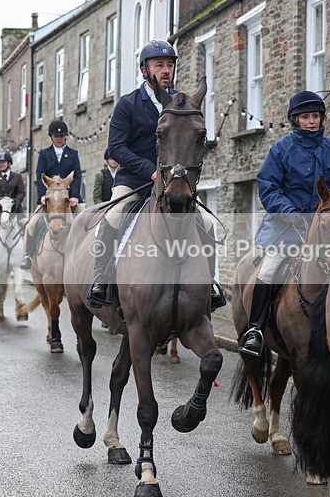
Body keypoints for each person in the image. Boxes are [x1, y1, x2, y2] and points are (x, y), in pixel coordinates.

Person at [87, 39, 226, 312]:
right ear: (144, 70)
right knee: (113, 218)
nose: (166, 70)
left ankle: (208, 284)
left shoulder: (182, 104)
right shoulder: (127, 104)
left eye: (170, 65)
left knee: (207, 223)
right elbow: (116, 147)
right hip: (134, 182)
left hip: (174, 183)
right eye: (159, 65)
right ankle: (101, 280)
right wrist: (149, 171)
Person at [238, 90, 330, 357]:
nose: (311, 121)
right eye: (305, 117)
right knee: (268, 270)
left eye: (315, 116)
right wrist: (288, 211)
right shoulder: (281, 149)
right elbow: (268, 187)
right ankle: (255, 329)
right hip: (284, 228)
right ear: (295, 120)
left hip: (324, 229)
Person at [20, 119, 84, 270]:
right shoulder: (44, 154)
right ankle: (28, 255)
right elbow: (39, 175)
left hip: (68, 199)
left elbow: (78, 176)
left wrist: (74, 195)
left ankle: (85, 254)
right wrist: (43, 195)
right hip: (50, 199)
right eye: (56, 136)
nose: (59, 138)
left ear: (65, 137)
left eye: (61, 136)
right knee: (33, 223)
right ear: (51, 137)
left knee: (85, 218)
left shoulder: (73, 154)